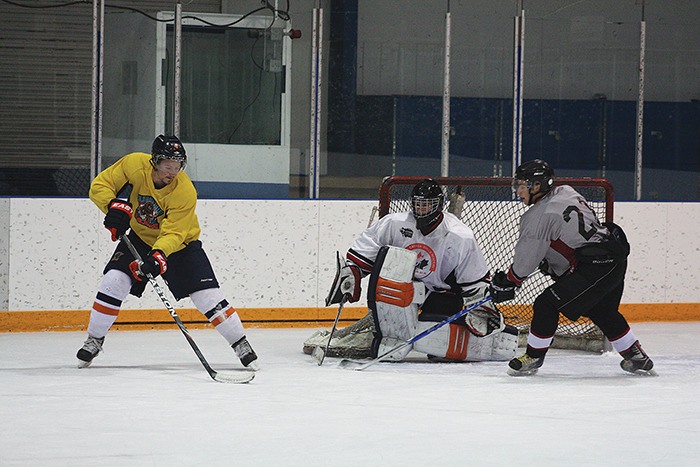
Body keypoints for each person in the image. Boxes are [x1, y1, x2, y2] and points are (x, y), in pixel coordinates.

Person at [76, 135, 258, 370]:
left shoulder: (185, 191)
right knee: (113, 281)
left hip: (182, 247)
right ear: (155, 162)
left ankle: (240, 343)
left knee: (208, 297)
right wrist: (113, 207)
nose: (173, 172)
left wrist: (158, 256)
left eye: (178, 166)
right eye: (167, 166)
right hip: (140, 239)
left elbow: (174, 233)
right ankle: (94, 340)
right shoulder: (133, 165)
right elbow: (100, 186)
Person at [304, 178, 518, 362]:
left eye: (427, 205)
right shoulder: (394, 224)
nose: (421, 210)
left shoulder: (460, 236)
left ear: (439, 205)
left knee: (438, 347)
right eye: (418, 205)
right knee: (389, 285)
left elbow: (474, 283)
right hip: (403, 290)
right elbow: (365, 250)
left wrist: (481, 309)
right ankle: (388, 341)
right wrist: (353, 272)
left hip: (441, 295)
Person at [490, 159, 655, 376]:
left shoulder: (538, 216)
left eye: (522, 185)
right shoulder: (566, 192)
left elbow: (525, 262)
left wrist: (510, 281)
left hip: (596, 267)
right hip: (613, 257)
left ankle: (533, 357)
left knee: (546, 304)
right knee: (601, 311)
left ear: (537, 186)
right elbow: (571, 234)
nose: (518, 190)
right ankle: (636, 357)